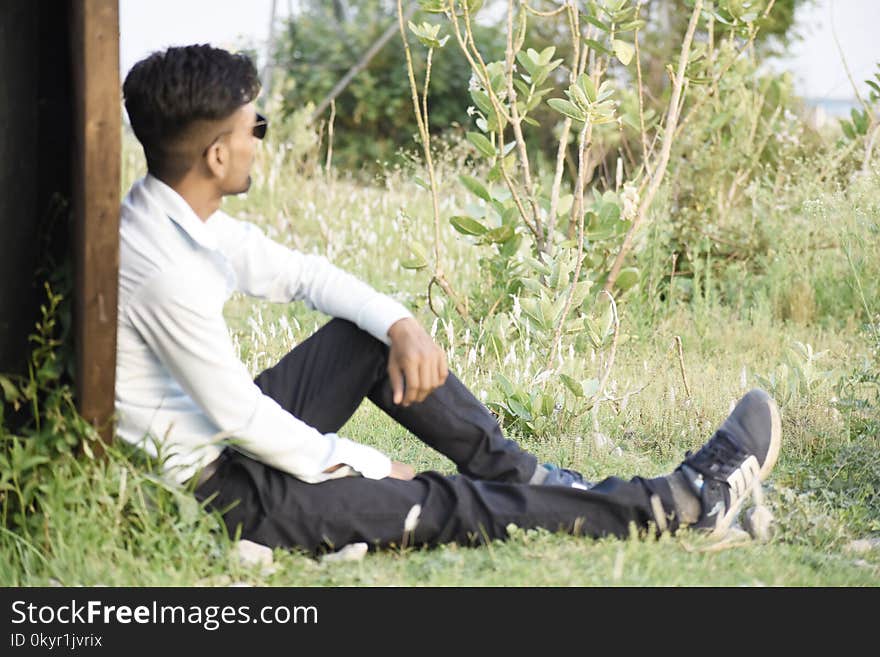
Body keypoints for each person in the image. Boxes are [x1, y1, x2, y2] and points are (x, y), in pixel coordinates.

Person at [116, 44, 782, 555]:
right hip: (219, 493)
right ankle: (682, 503)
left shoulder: (174, 212)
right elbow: (243, 418)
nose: (261, 139)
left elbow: (303, 274)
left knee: (366, 334)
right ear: (216, 154)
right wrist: (374, 465)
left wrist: (399, 322)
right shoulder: (161, 270)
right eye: (253, 127)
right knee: (446, 502)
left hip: (223, 443)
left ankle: (537, 477)